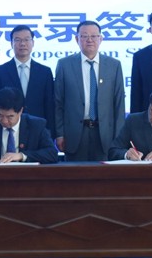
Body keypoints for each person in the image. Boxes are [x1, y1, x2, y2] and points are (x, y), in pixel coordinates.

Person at [54, 20, 125, 161]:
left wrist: (119, 138)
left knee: (104, 174)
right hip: (74, 134)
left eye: (94, 36)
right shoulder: (64, 65)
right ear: (77, 39)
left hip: (105, 135)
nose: (89, 40)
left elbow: (119, 103)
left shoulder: (114, 65)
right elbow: (58, 102)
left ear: (101, 39)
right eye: (84, 36)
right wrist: (60, 134)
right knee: (75, 174)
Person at [0, 24, 55, 132]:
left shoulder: (45, 72)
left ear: (33, 43)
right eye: (17, 40)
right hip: (7, 128)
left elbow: (49, 105)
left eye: (26, 39)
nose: (22, 44)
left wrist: (50, 132)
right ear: (11, 43)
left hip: (37, 129)